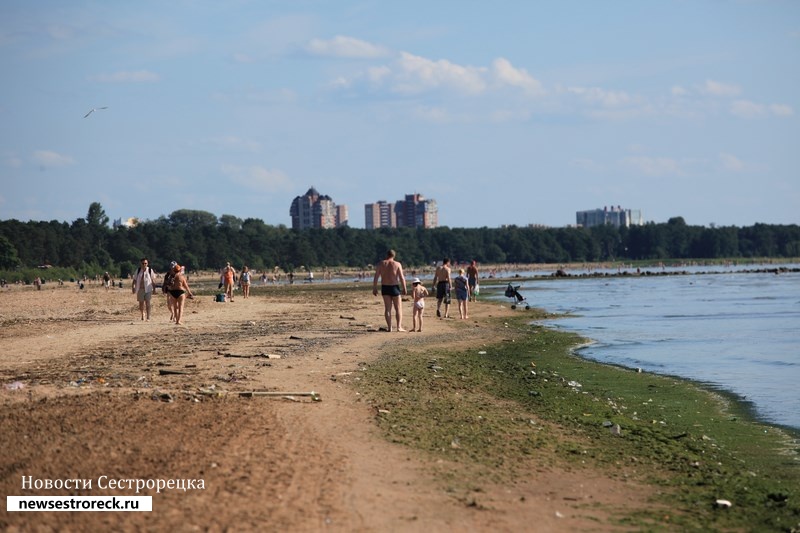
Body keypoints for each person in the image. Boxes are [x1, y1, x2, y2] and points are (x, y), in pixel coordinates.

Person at [372, 249, 407, 332]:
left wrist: (375, 287)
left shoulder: (381, 264)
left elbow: (376, 276)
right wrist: (404, 288)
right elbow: (401, 277)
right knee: (398, 308)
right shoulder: (397, 264)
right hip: (394, 287)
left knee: (387, 308)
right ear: (394, 256)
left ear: (387, 255)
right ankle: (399, 327)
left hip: (385, 287)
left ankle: (389, 327)